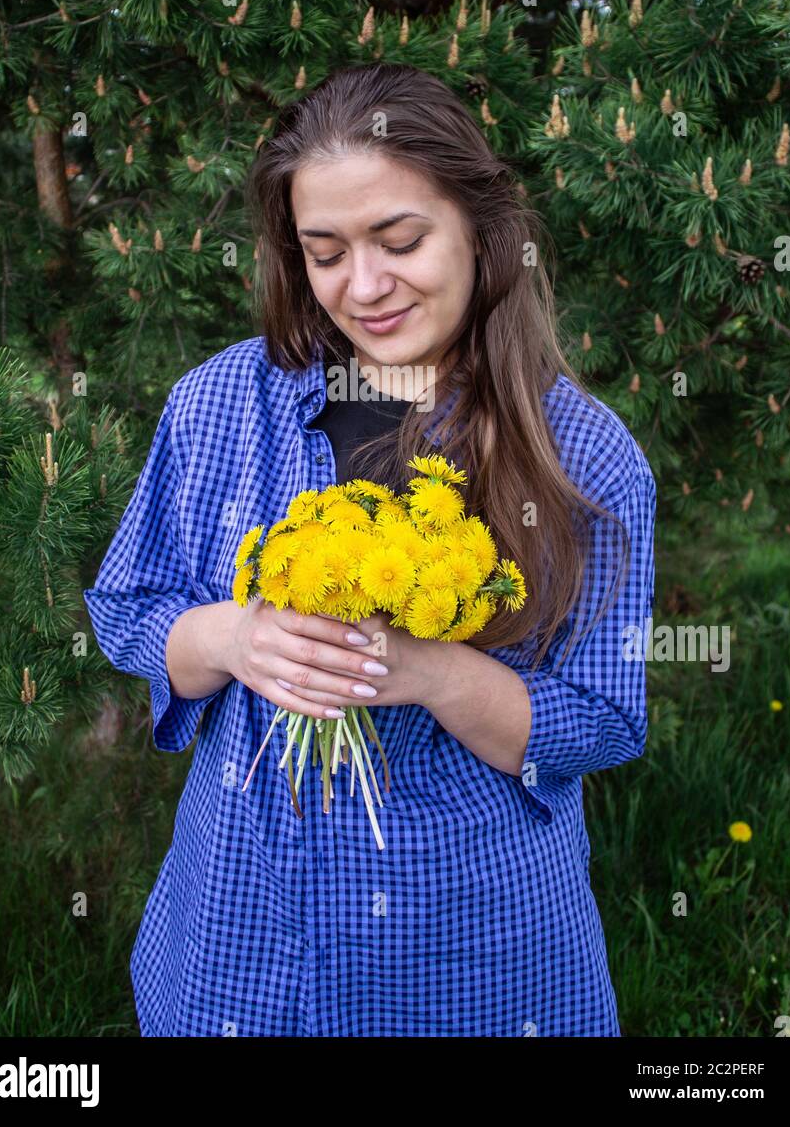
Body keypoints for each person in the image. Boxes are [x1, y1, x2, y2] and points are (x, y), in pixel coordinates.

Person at [84, 62, 657, 1037]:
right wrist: (230, 637)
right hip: (245, 942)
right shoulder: (221, 404)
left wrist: (431, 671)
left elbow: (601, 719)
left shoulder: (586, 459)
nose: (364, 286)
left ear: (479, 229)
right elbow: (125, 610)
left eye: (400, 241)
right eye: (324, 252)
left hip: (470, 957)